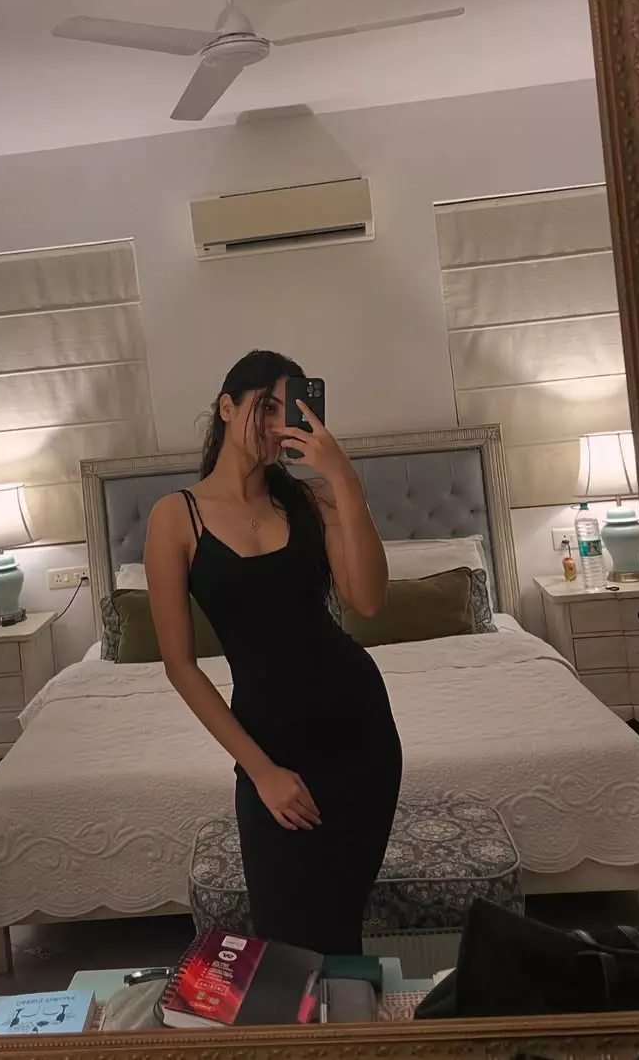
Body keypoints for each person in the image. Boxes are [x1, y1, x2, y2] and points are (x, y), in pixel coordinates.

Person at [144, 349, 403, 956]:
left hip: (361, 739)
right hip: (272, 747)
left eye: (287, 412)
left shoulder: (313, 501)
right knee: (287, 940)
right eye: (264, 408)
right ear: (225, 407)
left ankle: (357, 1017)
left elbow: (368, 600)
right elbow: (180, 667)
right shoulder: (176, 517)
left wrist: (344, 479)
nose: (274, 426)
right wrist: (260, 772)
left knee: (340, 930)